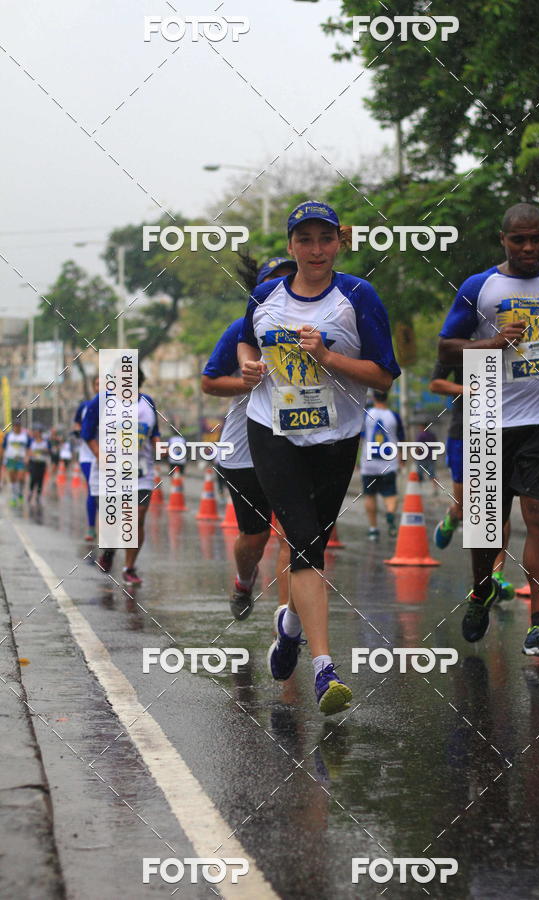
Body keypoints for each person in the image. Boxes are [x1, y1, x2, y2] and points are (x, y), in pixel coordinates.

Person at [238, 200, 400, 714]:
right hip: (273, 431)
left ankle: (289, 624)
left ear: (338, 244)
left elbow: (383, 376)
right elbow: (247, 343)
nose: (315, 249)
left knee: (314, 546)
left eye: (324, 239)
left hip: (336, 437)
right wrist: (249, 370)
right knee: (305, 541)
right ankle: (325, 670)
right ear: (291, 247)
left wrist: (326, 357)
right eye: (304, 240)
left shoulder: (359, 296)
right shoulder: (265, 296)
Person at [439, 202, 539, 655]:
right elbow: (448, 347)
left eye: (537, 238)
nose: (529, 247)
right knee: (486, 525)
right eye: (519, 240)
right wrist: (491, 343)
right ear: (503, 240)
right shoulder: (480, 287)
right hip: (489, 412)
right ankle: (481, 589)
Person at [202, 255, 298, 620]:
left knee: (294, 537)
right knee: (255, 538)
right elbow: (209, 382)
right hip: (244, 451)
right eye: (274, 282)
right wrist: (244, 381)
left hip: (296, 445)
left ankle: (286, 626)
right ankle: (244, 580)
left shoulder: (314, 327)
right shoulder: (240, 331)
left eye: (291, 279)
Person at [430, 361, 515, 599]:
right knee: (468, 506)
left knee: (496, 504)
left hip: (501, 429)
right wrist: (467, 389)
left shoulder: (516, 345)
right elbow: (435, 383)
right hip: (464, 430)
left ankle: (495, 576)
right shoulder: (463, 339)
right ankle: (455, 514)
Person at [82, 369, 160, 585]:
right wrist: (99, 454)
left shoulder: (148, 402)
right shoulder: (101, 401)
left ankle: (129, 568)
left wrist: (159, 447)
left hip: (140, 472)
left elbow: (155, 434)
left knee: (137, 517)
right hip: (108, 474)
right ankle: (108, 551)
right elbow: (87, 433)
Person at [359, 389, 405, 539]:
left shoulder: (366, 414)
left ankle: (373, 529)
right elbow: (401, 440)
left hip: (369, 464)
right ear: (387, 397)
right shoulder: (394, 416)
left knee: (370, 495)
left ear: (374, 397)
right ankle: (390, 514)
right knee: (390, 494)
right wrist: (402, 460)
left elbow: (359, 437)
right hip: (389, 463)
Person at [74, 375, 100, 541]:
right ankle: (91, 528)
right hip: (88, 456)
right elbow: (77, 423)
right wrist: (80, 431)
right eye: (97, 384)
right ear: (93, 387)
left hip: (112, 456)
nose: (100, 386)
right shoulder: (85, 406)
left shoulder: (117, 406)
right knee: (93, 490)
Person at [1, 420, 29, 506]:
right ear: (13, 427)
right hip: (11, 460)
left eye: (18, 426)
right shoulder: (8, 436)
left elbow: (29, 448)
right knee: (12, 478)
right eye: (15, 426)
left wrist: (27, 457)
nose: (17, 428)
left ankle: (20, 493)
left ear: (20, 427)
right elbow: (3, 447)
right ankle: (13, 496)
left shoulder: (25, 436)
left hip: (21, 460)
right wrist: (2, 458)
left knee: (20, 478)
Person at [25, 424, 51, 504]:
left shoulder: (45, 441)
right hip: (33, 463)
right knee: (33, 478)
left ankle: (38, 496)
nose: (36, 433)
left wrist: (44, 451)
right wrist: (29, 456)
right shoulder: (31, 440)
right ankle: (31, 492)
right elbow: (28, 450)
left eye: (37, 432)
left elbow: (49, 451)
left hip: (42, 463)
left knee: (40, 479)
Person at [414, 422, 440, 494]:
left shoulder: (420, 435)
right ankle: (435, 490)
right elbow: (435, 444)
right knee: (432, 474)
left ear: (422, 427)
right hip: (431, 457)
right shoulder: (432, 435)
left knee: (419, 475)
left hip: (421, 458)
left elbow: (418, 447)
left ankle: (419, 490)